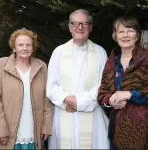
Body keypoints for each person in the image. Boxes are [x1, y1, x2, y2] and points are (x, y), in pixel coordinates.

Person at [46, 9, 110, 149]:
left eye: (85, 24)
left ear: (91, 27)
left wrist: (80, 103)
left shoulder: (100, 52)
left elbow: (103, 84)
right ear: (69, 27)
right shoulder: (59, 52)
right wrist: (66, 99)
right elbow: (51, 85)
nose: (80, 27)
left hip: (92, 115)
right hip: (64, 112)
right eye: (75, 23)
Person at [98, 16, 148, 150]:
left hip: (147, 131)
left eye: (130, 30)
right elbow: (102, 91)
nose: (125, 35)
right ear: (115, 36)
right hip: (117, 130)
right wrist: (110, 101)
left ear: (137, 35)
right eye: (121, 31)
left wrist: (130, 94)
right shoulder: (112, 61)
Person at [0, 28, 53, 149]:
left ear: (33, 48)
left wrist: (46, 126)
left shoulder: (41, 67)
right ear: (14, 47)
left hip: (34, 128)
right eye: (20, 45)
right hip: (9, 130)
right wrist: (0, 130)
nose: (24, 48)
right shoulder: (1, 65)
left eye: (28, 45)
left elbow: (47, 100)